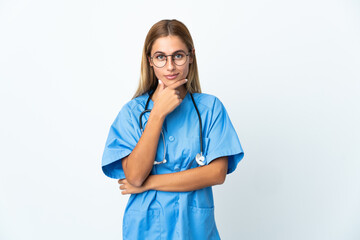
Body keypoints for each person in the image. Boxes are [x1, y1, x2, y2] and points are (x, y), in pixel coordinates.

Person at [101, 19, 244, 240]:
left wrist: (150, 183)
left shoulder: (210, 108)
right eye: (161, 57)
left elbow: (216, 173)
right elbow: (135, 176)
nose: (170, 66)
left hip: (195, 228)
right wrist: (157, 114)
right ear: (149, 61)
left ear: (191, 56)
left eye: (178, 55)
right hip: (146, 229)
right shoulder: (132, 113)